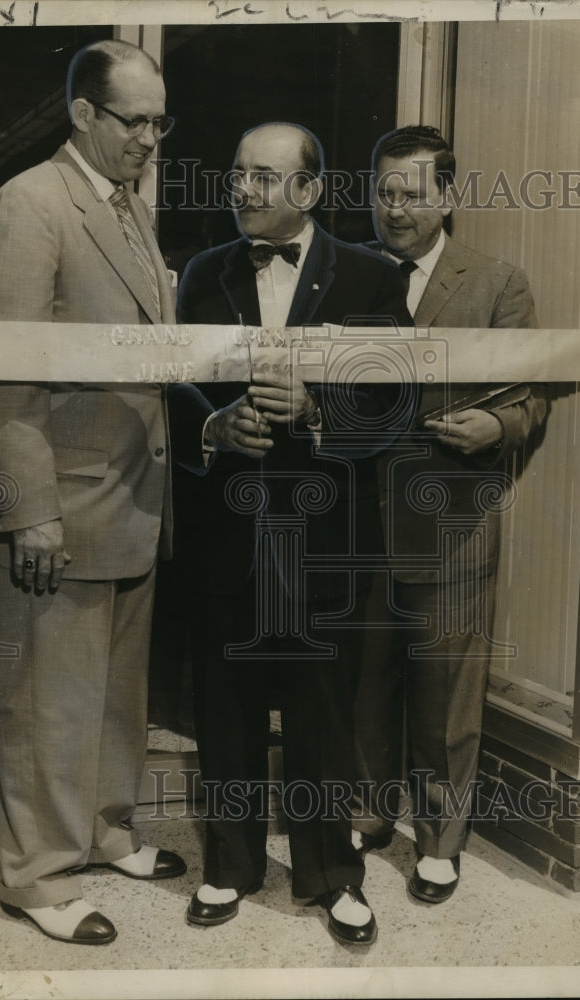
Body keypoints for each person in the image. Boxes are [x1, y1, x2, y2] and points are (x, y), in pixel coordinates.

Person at [0, 39, 193, 946]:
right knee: (47, 704)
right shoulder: (27, 205)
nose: (150, 139)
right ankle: (37, 874)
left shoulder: (131, 209)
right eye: (133, 121)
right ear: (83, 115)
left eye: (159, 121)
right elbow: (0, 378)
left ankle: (102, 831)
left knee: (110, 696)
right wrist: (31, 510)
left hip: (133, 499)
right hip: (59, 505)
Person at [175, 122, 415, 946]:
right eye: (237, 173)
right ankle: (229, 866)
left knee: (322, 711)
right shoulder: (202, 276)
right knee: (227, 705)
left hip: (324, 540)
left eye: (264, 177)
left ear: (310, 192)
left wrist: (318, 414)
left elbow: (395, 402)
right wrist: (213, 431)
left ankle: (332, 876)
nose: (242, 189)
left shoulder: (373, 279)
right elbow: (174, 391)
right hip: (227, 542)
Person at [353, 124, 548, 903]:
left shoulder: (498, 282)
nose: (394, 209)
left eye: (412, 193)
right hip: (360, 518)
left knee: (445, 690)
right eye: (384, 192)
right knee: (365, 680)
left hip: (453, 518)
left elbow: (535, 391)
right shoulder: (349, 273)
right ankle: (366, 810)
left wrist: (497, 427)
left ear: (449, 196)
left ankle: (440, 840)